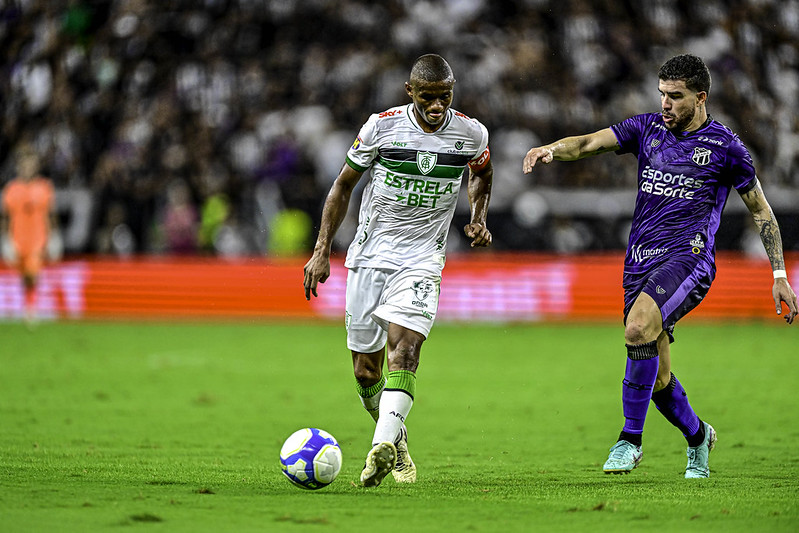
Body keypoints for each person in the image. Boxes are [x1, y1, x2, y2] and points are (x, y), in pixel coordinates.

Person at [522, 54, 797, 478]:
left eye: (675, 96)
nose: (665, 104)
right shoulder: (646, 129)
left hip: (689, 259)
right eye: (662, 95)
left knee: (637, 328)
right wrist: (550, 150)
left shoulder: (727, 148)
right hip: (639, 263)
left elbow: (761, 210)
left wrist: (779, 274)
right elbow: (589, 143)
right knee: (658, 376)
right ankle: (698, 436)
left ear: (700, 98)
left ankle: (629, 441)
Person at [303, 54, 493, 487]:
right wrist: (320, 249)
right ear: (410, 92)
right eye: (428, 97)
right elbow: (343, 185)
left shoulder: (470, 132)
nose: (437, 106)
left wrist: (479, 215)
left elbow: (483, 173)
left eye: (445, 97)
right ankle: (396, 437)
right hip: (370, 256)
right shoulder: (381, 127)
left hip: (424, 259)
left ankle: (379, 448)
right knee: (365, 372)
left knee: (404, 352)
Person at [1, 148, 58, 322]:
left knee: (32, 273)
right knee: (22, 274)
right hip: (17, 236)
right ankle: (23, 305)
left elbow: (51, 214)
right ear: (19, 166)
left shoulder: (45, 187)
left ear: (36, 166)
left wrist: (54, 236)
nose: (28, 168)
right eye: (25, 165)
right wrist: (5, 238)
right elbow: (5, 216)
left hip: (37, 237)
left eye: (31, 164)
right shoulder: (11, 189)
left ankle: (30, 308)